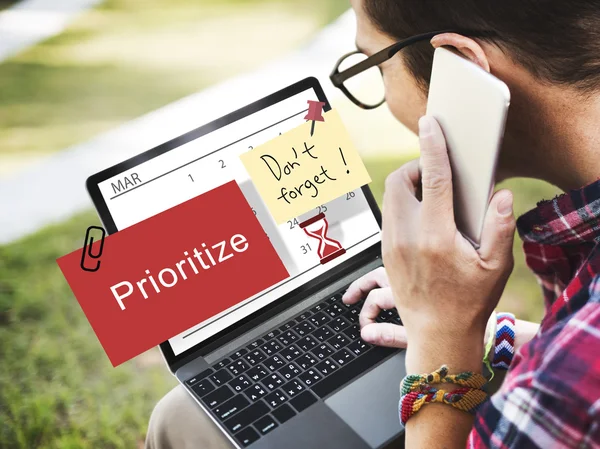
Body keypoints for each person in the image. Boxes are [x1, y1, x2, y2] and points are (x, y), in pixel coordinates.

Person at [146, 0, 600, 447]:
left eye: (374, 66)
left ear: (463, 69)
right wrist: (485, 334)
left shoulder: (570, 388)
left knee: (177, 420)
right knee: (182, 412)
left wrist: (442, 342)